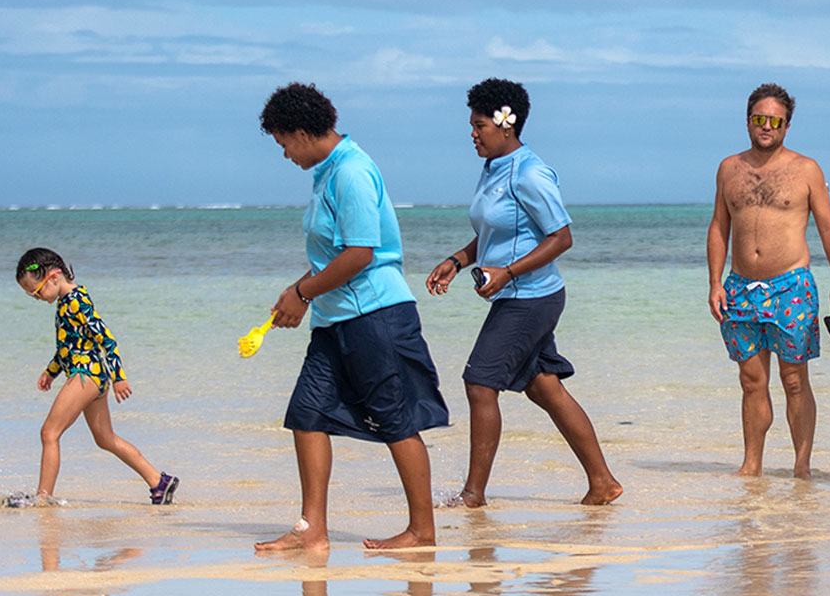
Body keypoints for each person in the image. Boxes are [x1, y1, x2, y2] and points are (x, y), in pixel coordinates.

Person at [254, 82, 448, 553]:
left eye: (283, 144)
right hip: (335, 319)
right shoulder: (326, 173)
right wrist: (294, 295)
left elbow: (361, 253)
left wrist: (302, 292)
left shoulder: (352, 171)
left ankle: (422, 530)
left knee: (395, 420)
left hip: (376, 315)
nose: (284, 155)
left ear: (301, 132)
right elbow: (333, 254)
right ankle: (311, 530)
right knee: (306, 415)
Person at [426, 77, 623, 507]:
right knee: (543, 387)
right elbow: (499, 230)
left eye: (480, 125)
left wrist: (507, 273)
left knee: (479, 383)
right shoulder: (494, 168)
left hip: (531, 297)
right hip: (519, 294)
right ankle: (603, 482)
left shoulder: (530, 173)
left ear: (506, 124)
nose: (472, 133)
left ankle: (473, 495)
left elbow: (561, 237)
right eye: (472, 124)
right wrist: (459, 260)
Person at [706, 83, 830, 478]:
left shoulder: (806, 170)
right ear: (748, 121)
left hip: (790, 286)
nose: (766, 126)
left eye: (775, 121)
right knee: (751, 381)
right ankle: (751, 466)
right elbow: (719, 227)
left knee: (794, 380)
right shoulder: (728, 168)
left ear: (787, 126)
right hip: (739, 288)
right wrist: (715, 282)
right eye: (759, 119)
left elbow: (828, 226)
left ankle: (801, 467)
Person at [13, 247, 177, 506]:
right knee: (105, 439)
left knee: (49, 433)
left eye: (36, 291)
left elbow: (106, 338)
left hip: (86, 374)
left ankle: (42, 499)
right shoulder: (66, 302)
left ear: (54, 277)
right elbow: (70, 346)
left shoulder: (77, 300)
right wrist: (51, 371)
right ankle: (158, 481)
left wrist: (119, 376)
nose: (36, 297)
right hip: (92, 375)